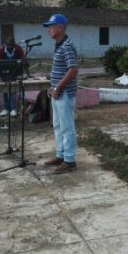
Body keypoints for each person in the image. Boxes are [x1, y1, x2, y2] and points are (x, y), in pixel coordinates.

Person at [42, 14, 79, 174]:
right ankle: (61, 155)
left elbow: (73, 69)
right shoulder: (59, 45)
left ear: (60, 28)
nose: (48, 29)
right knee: (57, 126)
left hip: (64, 94)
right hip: (57, 93)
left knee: (67, 127)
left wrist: (58, 87)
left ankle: (69, 160)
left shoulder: (67, 46)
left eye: (51, 26)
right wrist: (53, 85)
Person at [0, 36, 25, 117]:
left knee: (13, 90)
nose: (10, 46)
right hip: (3, 74)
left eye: (12, 45)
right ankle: (5, 108)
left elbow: (24, 61)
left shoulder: (19, 49)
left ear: (14, 45)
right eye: (8, 45)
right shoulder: (1, 50)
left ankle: (13, 109)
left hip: (15, 74)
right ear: (5, 44)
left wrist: (28, 75)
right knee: (4, 90)